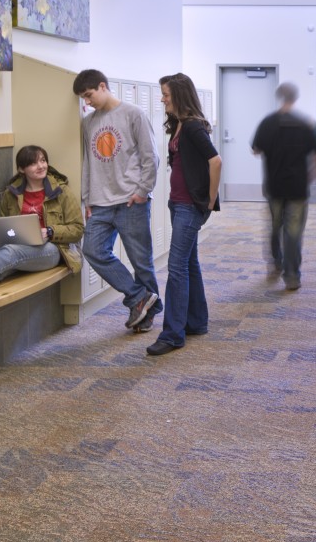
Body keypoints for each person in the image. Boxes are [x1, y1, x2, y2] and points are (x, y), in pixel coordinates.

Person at [72, 68, 162, 333]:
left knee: (141, 262)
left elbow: (150, 157)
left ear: (102, 86)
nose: (87, 103)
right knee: (93, 251)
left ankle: (145, 317)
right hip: (100, 203)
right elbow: (88, 162)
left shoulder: (134, 114)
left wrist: (142, 191)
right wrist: (87, 198)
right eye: (83, 99)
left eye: (89, 96)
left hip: (130, 201)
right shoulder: (89, 122)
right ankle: (139, 298)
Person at [146, 73, 221, 357]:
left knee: (175, 268)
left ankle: (172, 335)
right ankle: (196, 322)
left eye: (166, 94)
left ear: (179, 94)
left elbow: (215, 161)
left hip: (190, 207)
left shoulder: (191, 127)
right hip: (177, 204)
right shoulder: (177, 125)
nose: (163, 99)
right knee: (189, 265)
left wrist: (210, 200)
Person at [251, 82, 316, 291]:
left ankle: (276, 264)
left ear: (279, 97)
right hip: (298, 187)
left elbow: (256, 150)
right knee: (293, 232)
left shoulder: (267, 123)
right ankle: (292, 275)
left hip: (274, 185)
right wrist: (313, 172)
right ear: (295, 97)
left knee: (275, 226)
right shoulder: (307, 123)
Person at [0, 145, 84, 291]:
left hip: (54, 249)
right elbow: (4, 227)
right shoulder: (11, 194)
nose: (41, 166)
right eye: (33, 163)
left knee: (11, 252)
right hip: (20, 248)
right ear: (21, 169)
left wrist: (49, 231)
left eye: (43, 161)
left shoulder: (61, 191)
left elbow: (78, 229)